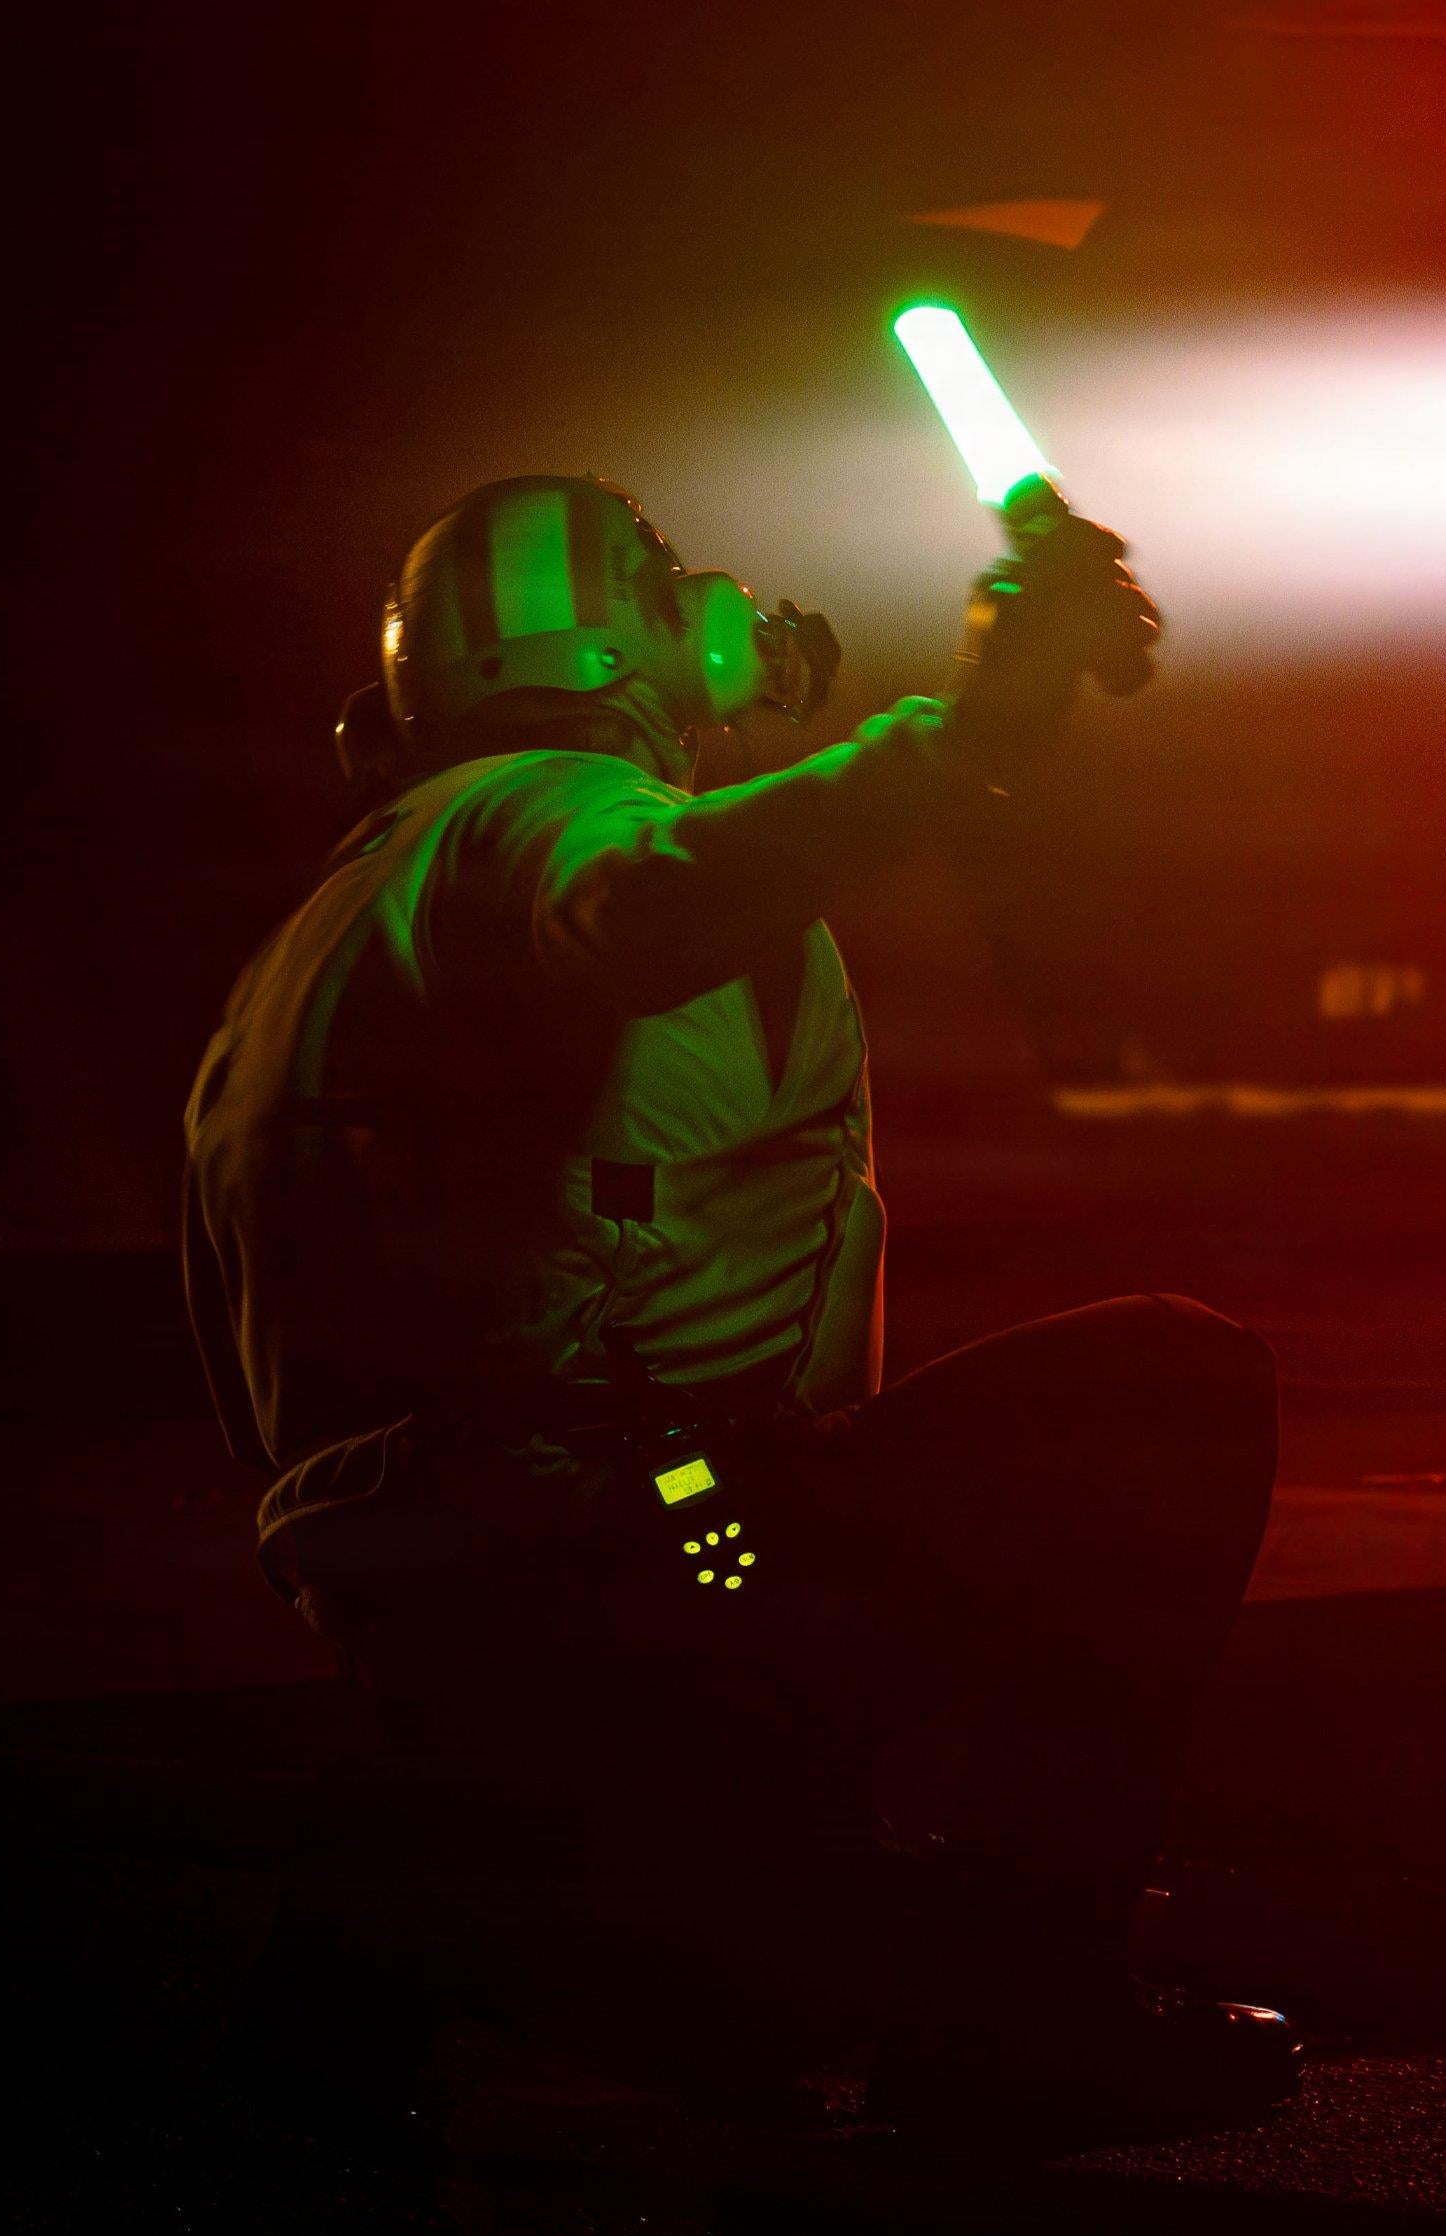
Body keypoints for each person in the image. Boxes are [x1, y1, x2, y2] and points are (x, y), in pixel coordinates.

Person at [182, 472, 1293, 2145]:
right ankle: (1011, 2009)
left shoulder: (358, 902)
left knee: (745, 1984)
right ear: (592, 644)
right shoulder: (541, 814)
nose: (718, 594)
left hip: (468, 1593)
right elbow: (651, 901)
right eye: (659, 572)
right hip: (648, 1539)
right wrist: (970, 722)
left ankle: (456, 1884)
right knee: (1171, 1392)